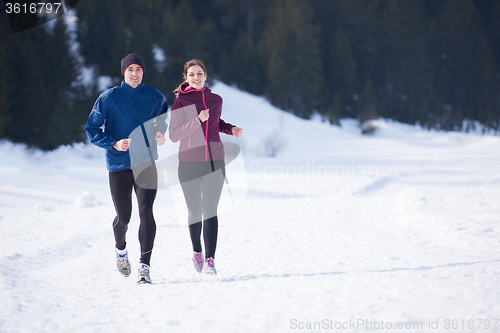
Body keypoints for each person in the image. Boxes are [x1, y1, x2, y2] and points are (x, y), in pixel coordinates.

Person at [85, 53, 168, 284]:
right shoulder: (108, 98)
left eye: (138, 69)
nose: (134, 73)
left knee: (146, 211)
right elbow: (92, 130)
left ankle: (144, 267)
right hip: (119, 164)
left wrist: (160, 133)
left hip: (146, 161)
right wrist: (113, 142)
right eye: (130, 69)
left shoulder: (155, 96)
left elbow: (161, 118)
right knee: (124, 217)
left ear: (143, 72)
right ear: (124, 72)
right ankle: (121, 250)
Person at [169, 59, 243, 275]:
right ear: (186, 78)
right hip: (189, 163)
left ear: (205, 76)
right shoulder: (181, 102)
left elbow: (217, 123)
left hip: (214, 161)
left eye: (199, 73)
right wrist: (197, 120)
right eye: (191, 74)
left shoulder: (215, 99)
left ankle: (210, 259)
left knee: (210, 211)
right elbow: (174, 135)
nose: (196, 77)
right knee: (194, 210)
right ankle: (197, 251)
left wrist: (231, 129)